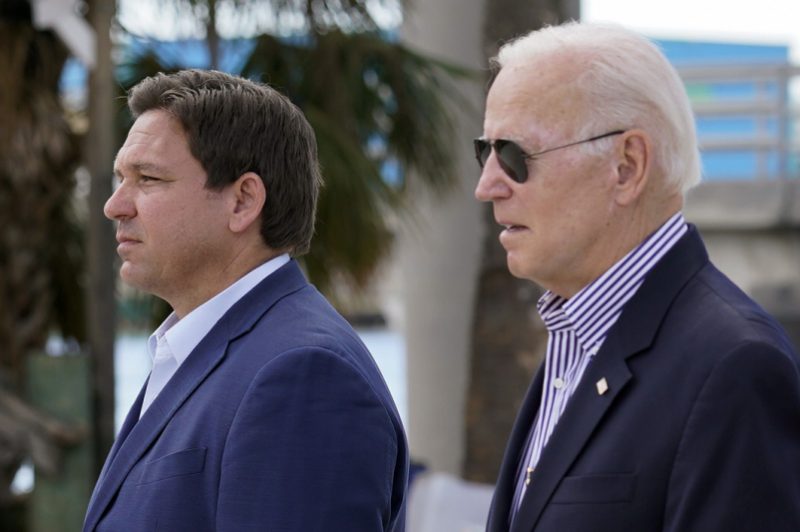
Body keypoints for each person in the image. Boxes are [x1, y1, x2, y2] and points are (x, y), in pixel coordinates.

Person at [474, 22, 800, 531]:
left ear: (626, 166)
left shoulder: (735, 365)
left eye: (514, 155)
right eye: (484, 151)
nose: (487, 185)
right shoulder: (577, 339)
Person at [83, 69, 408, 532]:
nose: (114, 205)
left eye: (148, 178)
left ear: (243, 201)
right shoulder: (205, 349)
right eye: (121, 178)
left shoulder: (304, 374)